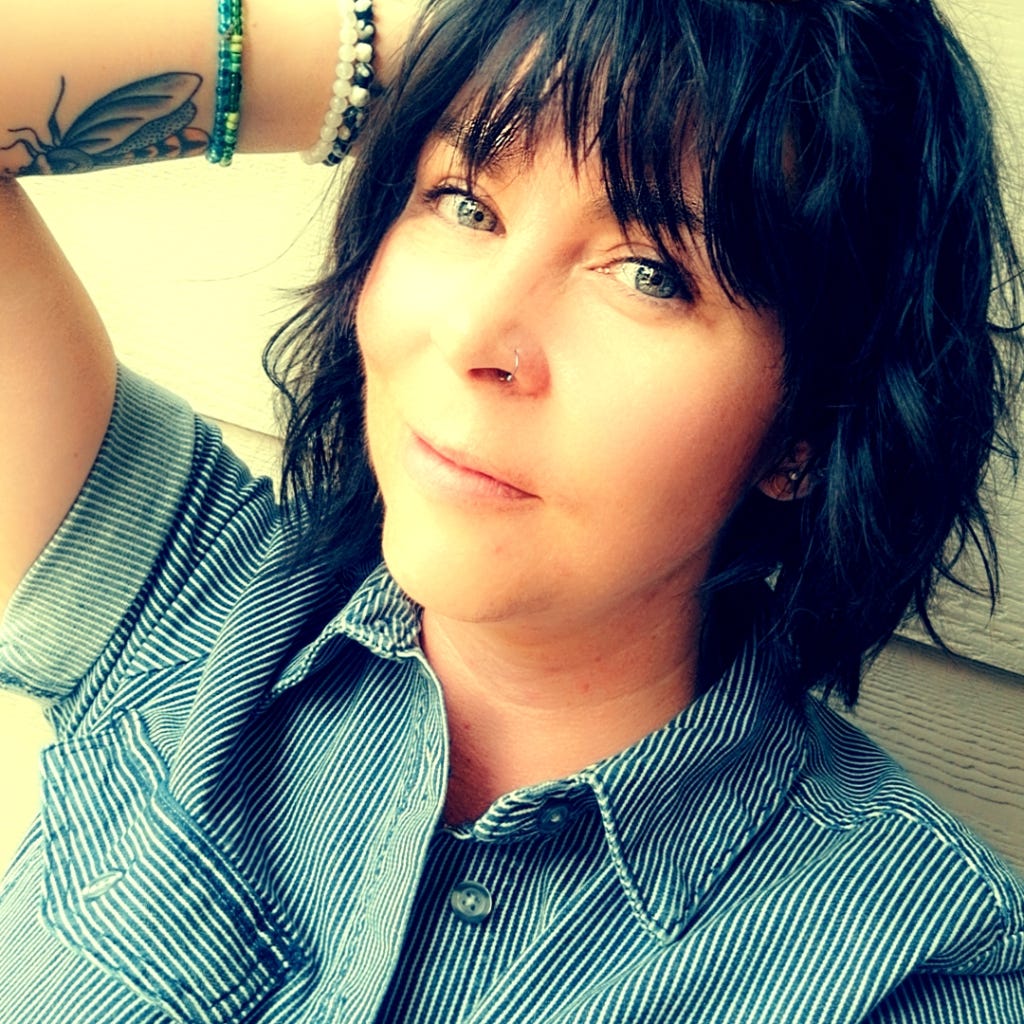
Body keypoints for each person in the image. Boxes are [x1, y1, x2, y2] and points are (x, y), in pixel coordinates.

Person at [1, 0, 1022, 1020]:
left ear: (807, 431)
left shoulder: (922, 966)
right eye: (464, 204)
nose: (475, 334)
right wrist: (436, 60)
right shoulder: (189, 604)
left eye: (649, 274)